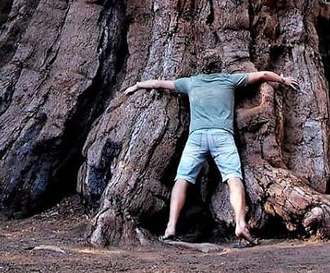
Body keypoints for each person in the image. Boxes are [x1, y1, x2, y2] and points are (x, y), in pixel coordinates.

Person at [123, 69, 299, 245]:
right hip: (222, 136)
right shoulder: (229, 80)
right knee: (233, 178)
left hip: (197, 137)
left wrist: (137, 85)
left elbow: (159, 83)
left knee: (182, 178)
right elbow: (263, 75)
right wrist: (283, 79)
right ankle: (240, 223)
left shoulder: (191, 82)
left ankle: (170, 227)